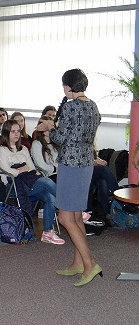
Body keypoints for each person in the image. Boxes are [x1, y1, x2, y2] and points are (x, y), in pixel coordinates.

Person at [36, 68, 102, 286]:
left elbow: (61, 137)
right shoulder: (92, 105)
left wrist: (48, 128)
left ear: (68, 86)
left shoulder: (72, 106)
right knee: (74, 216)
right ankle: (78, 262)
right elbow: (81, 133)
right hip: (85, 164)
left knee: (65, 218)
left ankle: (90, 263)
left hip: (71, 165)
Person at [0, 119, 64, 245]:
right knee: (47, 182)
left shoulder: (23, 149)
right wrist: (21, 170)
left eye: (18, 131)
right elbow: (7, 170)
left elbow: (31, 167)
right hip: (15, 184)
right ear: (6, 133)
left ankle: (47, 233)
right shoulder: (2, 150)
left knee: (51, 199)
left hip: (29, 180)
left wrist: (24, 168)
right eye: (13, 132)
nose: (16, 134)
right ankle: (69, 205)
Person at [31, 116, 59, 182]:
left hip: (60, 173)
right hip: (48, 175)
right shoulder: (36, 144)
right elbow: (41, 165)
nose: (49, 128)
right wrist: (55, 169)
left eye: (51, 126)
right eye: (46, 126)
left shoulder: (56, 143)